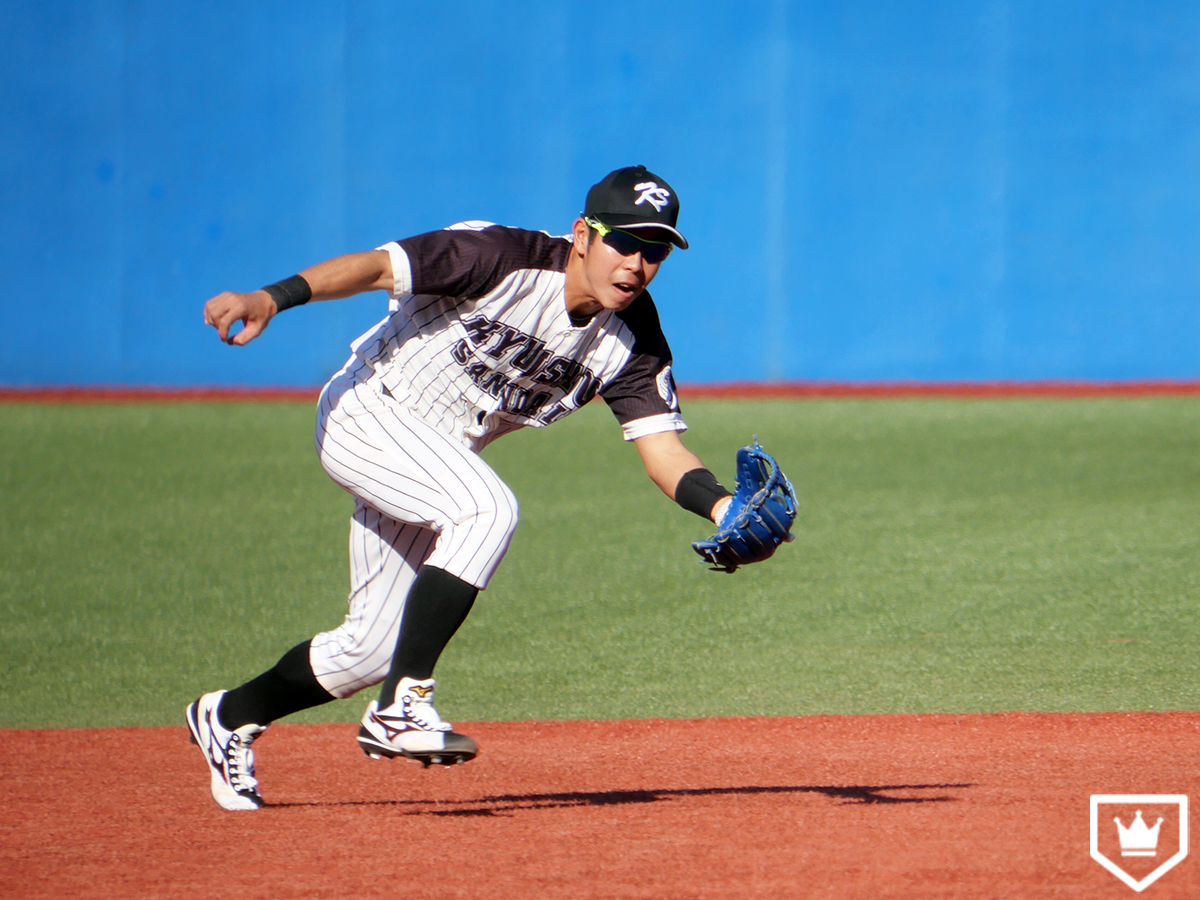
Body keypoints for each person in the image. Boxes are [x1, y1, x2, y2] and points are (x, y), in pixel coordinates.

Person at [187, 165, 738, 811]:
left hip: (437, 462)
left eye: (655, 251)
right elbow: (376, 268)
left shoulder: (633, 340)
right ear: (583, 234)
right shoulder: (500, 257)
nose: (638, 264)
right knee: (486, 509)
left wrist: (725, 507)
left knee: (370, 649)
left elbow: (663, 450)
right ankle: (402, 706)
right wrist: (272, 297)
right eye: (625, 242)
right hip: (369, 412)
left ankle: (226, 716)